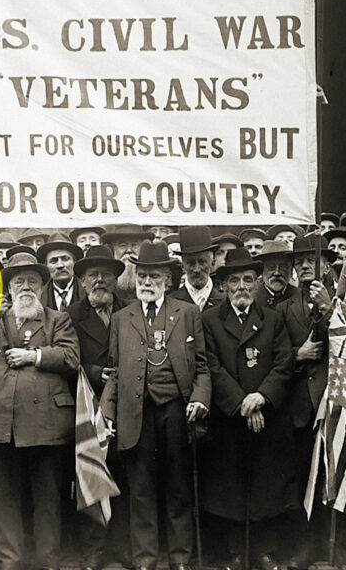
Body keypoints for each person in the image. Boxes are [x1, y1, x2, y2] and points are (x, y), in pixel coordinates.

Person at [0, 252, 80, 570]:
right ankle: (9, 561)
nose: (25, 287)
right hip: (2, 425)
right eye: (19, 282)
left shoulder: (58, 319)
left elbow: (71, 358)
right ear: (9, 288)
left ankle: (48, 561)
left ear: (42, 287)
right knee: (5, 499)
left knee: (47, 500)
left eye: (32, 281)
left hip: (45, 425)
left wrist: (34, 357)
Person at [101, 240, 210, 570]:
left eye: (154, 276)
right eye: (142, 275)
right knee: (142, 492)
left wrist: (200, 400)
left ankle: (180, 559)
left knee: (178, 490)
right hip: (136, 413)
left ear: (168, 278)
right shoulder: (122, 318)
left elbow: (202, 367)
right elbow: (116, 372)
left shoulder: (187, 313)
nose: (147, 282)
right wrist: (106, 411)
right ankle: (145, 559)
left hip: (176, 410)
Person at [200, 248, 296, 570]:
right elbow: (210, 365)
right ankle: (235, 551)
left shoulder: (273, 318)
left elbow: (284, 363)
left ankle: (262, 550)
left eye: (248, 280)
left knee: (266, 486)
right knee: (230, 486)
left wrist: (262, 397)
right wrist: (241, 401)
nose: (241, 287)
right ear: (224, 286)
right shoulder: (210, 320)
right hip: (230, 417)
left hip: (265, 418)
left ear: (257, 284)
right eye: (234, 281)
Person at [66, 245, 131, 570]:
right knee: (91, 478)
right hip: (88, 408)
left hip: (127, 407)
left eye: (106, 274)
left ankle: (120, 550)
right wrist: (94, 372)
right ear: (82, 280)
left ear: (117, 279)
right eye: (93, 275)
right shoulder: (70, 316)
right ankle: (93, 551)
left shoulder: (131, 310)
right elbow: (66, 358)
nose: (100, 281)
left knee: (126, 479)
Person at [276, 236, 335, 569]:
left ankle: (331, 545)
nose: (304, 267)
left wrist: (329, 309)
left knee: (331, 480)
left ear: (325, 264)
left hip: (332, 402)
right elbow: (277, 352)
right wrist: (298, 356)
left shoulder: (341, 301)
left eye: (310, 261)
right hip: (298, 406)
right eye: (299, 262)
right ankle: (304, 546)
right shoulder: (285, 308)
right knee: (299, 478)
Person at [172, 226, 225, 311]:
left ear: (212, 261)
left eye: (202, 262)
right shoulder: (171, 303)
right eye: (191, 263)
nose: (197, 269)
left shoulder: (226, 303)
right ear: (183, 265)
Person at [102, 224, 154, 300]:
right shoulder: (105, 281)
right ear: (114, 248)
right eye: (122, 245)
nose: (129, 250)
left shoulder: (153, 280)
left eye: (134, 245)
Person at [37, 232, 85, 311]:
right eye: (53, 261)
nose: (60, 265)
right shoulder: (39, 296)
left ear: (74, 262)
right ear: (46, 266)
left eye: (65, 259)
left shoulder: (87, 291)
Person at [254, 240, 296, 308]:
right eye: (271, 267)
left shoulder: (299, 297)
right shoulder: (251, 299)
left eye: (283, 268)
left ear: (291, 270)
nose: (277, 273)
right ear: (261, 271)